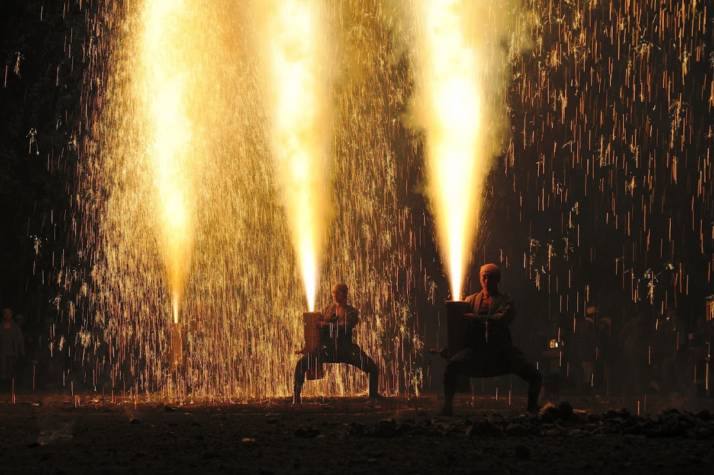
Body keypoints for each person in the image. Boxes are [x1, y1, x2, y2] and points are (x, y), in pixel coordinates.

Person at [441, 264, 542, 415]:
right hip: (476, 351)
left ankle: (532, 408)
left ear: (498, 279)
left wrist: (478, 318)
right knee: (452, 367)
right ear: (480, 279)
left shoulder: (506, 301)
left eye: (491, 277)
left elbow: (503, 318)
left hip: (501, 352)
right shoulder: (470, 300)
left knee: (535, 375)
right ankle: (447, 408)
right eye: (484, 277)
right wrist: (452, 347)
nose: (487, 280)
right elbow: (459, 328)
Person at [293, 283, 380, 403]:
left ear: (343, 294)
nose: (333, 294)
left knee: (372, 368)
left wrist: (327, 325)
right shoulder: (328, 310)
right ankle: (296, 397)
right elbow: (318, 332)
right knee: (301, 364)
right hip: (328, 349)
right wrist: (308, 347)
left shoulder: (351, 312)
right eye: (333, 292)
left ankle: (373, 396)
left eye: (336, 292)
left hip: (346, 348)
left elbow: (345, 327)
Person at [0, 308, 24, 386]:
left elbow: (20, 339)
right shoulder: (1, 326)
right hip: (2, 351)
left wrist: (21, 350)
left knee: (11, 367)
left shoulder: (15, 326)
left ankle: (10, 383)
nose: (7, 315)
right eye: (5, 313)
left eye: (9, 313)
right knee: (3, 367)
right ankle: (3, 383)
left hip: (12, 351)